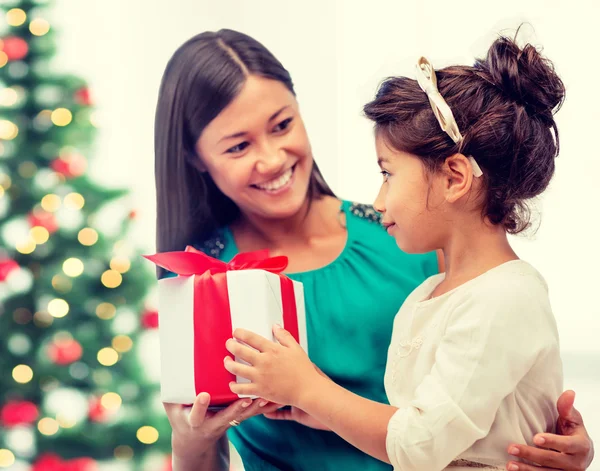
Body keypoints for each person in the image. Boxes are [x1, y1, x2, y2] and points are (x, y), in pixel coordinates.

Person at [153, 29, 595, 471]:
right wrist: (189, 443)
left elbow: (490, 395)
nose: (271, 159)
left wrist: (556, 446)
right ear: (196, 158)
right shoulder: (203, 284)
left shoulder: (411, 234)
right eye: (238, 145)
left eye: (282, 125)